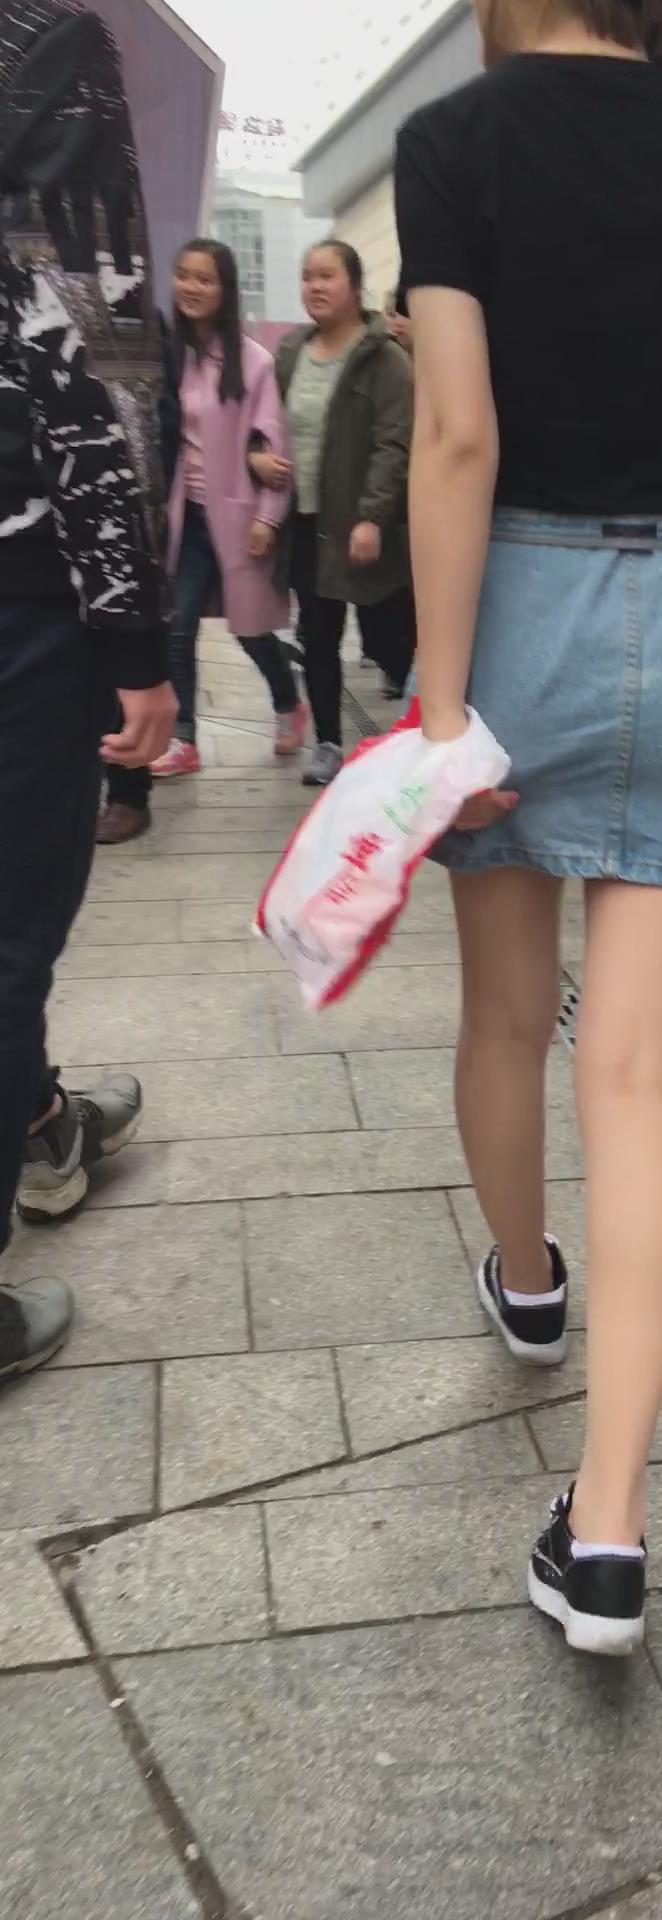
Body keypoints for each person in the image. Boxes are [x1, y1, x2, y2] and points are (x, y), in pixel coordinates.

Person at [395, 0, 662, 1652]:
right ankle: (612, 1533)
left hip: (509, 602)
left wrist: (442, 710)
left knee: (508, 1011)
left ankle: (527, 1283)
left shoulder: (456, 141)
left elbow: (457, 434)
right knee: (636, 1073)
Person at [0, 0, 177, 1377]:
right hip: (20, 583)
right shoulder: (46, 41)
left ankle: (45, 1118)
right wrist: (134, 640)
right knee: (8, 936)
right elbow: (93, 343)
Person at [252, 241, 414, 786]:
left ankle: (422, 734)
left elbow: (395, 444)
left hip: (365, 525)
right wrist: (257, 459)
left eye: (327, 276)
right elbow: (263, 424)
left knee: (391, 637)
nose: (315, 286)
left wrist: (372, 516)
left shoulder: (385, 359)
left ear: (355, 286)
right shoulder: (290, 352)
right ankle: (327, 742)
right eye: (307, 276)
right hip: (306, 522)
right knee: (318, 635)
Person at [150, 239, 307, 779]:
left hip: (237, 519)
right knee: (178, 629)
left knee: (249, 628)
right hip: (185, 519)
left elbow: (276, 450)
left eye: (205, 278)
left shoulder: (254, 362)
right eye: (183, 275)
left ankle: (288, 701)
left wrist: (267, 517)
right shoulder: (166, 356)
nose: (191, 287)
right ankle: (184, 738)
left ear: (226, 290)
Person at [97, 311, 182, 843]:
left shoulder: (121, 301)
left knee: (119, 661)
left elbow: (153, 435)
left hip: (101, 526)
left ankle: (128, 793)